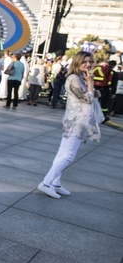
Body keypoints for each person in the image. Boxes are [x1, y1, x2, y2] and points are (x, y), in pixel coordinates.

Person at [37, 52, 100, 198]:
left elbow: (86, 96)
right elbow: (87, 99)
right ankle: (46, 183)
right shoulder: (74, 78)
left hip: (75, 120)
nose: (88, 64)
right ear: (77, 62)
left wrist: (93, 90)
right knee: (68, 155)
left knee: (62, 153)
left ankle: (55, 183)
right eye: (84, 62)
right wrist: (90, 83)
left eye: (90, 61)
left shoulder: (80, 77)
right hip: (75, 122)